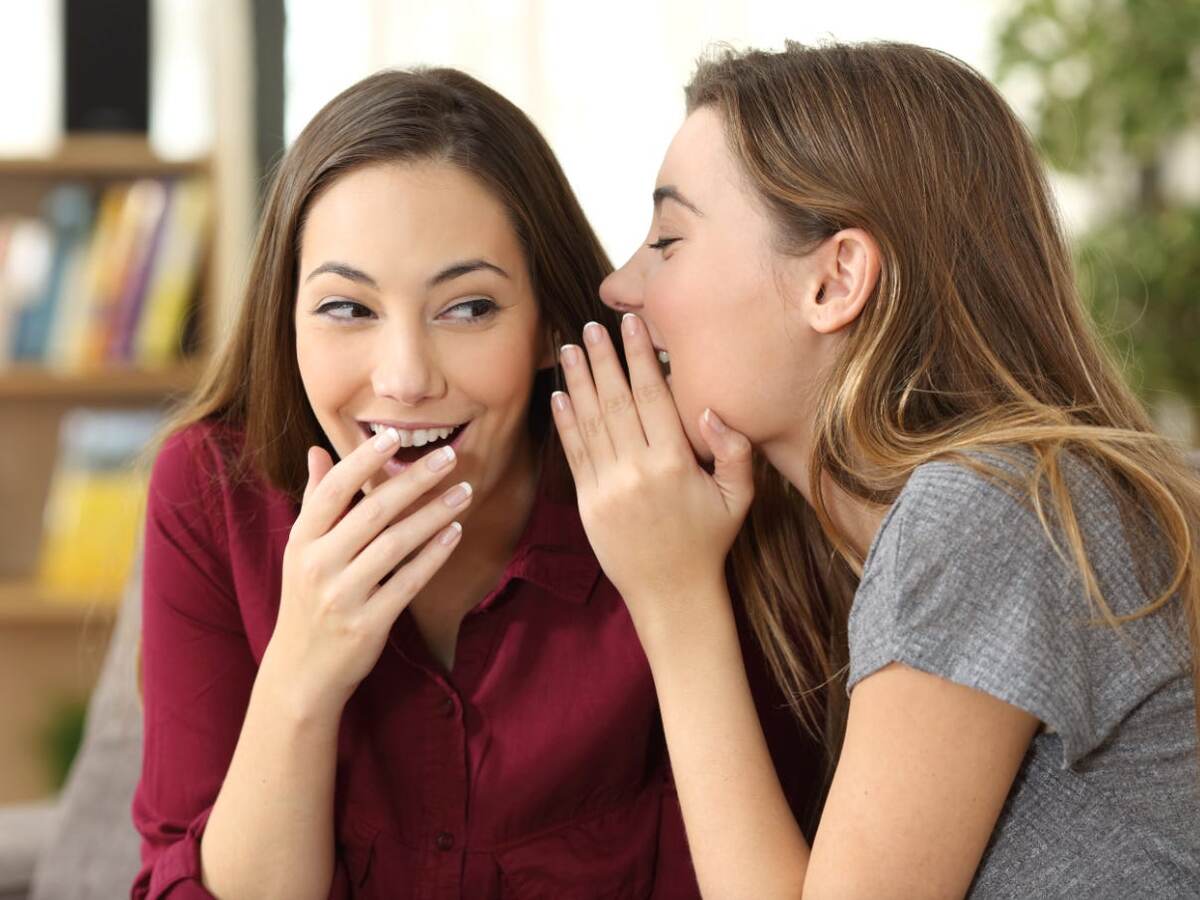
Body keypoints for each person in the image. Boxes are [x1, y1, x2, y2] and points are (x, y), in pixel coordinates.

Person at [131, 67, 816, 899]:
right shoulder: (210, 492)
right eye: (348, 308)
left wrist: (679, 594)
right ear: (287, 319)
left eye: (468, 308)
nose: (406, 380)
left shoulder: (686, 496)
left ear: (549, 322)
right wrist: (299, 680)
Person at [551, 41, 1200, 898]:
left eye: (668, 239)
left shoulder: (981, 511)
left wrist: (674, 599)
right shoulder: (976, 507)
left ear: (836, 280)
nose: (618, 286)